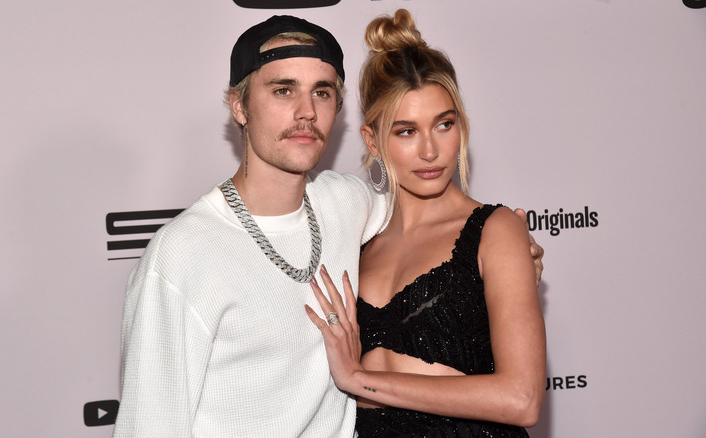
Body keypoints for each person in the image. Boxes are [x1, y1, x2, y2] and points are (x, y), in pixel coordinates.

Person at [114, 14, 543, 437]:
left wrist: (510, 258)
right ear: (239, 105)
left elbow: (435, 224)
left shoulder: (346, 205)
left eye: (321, 92)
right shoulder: (183, 254)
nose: (305, 112)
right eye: (283, 90)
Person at [306, 9, 546, 438]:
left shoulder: (495, 230)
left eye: (444, 124)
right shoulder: (356, 243)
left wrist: (360, 380)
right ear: (372, 141)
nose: (431, 151)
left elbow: (522, 399)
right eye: (405, 131)